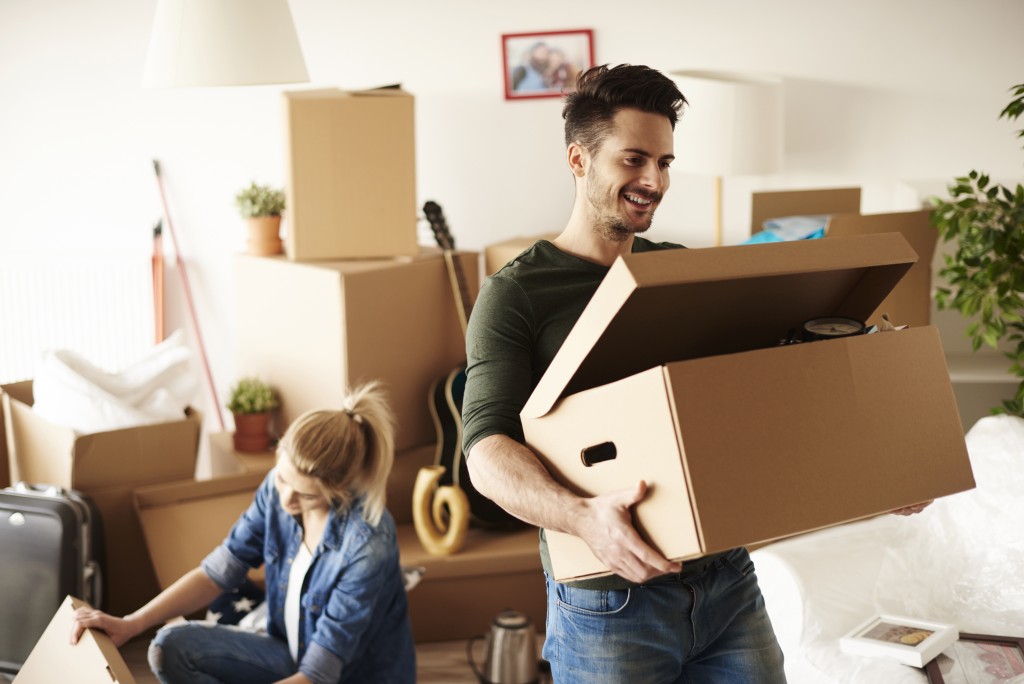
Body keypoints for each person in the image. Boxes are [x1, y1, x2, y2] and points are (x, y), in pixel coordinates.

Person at [70, 382, 416, 684]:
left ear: (339, 491)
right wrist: (130, 623)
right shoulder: (277, 490)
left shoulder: (367, 546)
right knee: (169, 647)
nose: (285, 499)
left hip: (346, 676)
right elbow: (218, 571)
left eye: (305, 495)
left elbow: (319, 675)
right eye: (282, 479)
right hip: (288, 651)